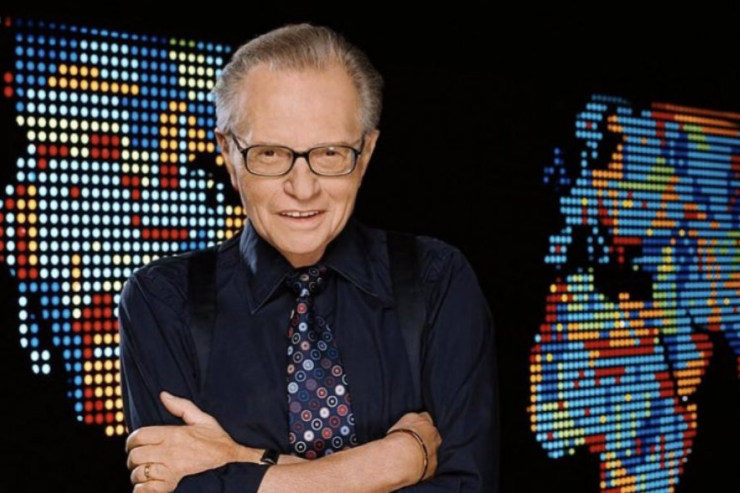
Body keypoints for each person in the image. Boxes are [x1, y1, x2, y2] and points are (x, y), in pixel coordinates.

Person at [118, 23, 498, 493]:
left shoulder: (437, 281)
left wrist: (242, 461)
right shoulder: (162, 300)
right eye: (269, 153)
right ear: (228, 153)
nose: (303, 188)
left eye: (331, 153)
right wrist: (390, 462)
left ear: (366, 153)